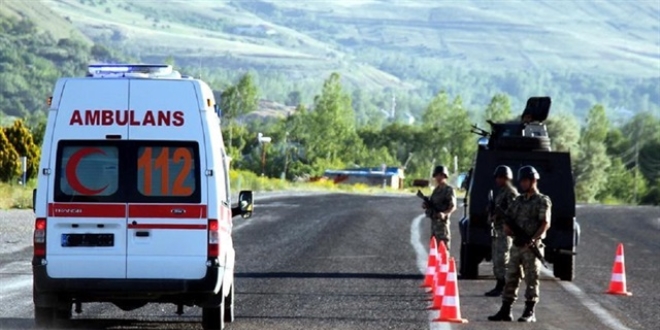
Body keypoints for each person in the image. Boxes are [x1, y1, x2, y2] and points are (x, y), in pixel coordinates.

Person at [488, 165, 551, 323]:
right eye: (521, 181)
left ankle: (529, 311)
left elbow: (545, 223)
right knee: (511, 277)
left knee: (531, 278)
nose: (522, 184)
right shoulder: (518, 200)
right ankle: (505, 310)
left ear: (533, 180)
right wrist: (508, 229)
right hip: (517, 245)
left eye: (525, 180)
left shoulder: (542, 200)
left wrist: (533, 239)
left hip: (531, 247)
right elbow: (507, 218)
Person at [485, 165, 519, 297]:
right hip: (498, 229)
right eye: (497, 178)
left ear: (506, 178)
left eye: (500, 177)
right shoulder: (502, 192)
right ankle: (499, 284)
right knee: (497, 258)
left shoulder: (510, 192)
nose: (497, 180)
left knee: (502, 259)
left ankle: (504, 286)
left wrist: (500, 215)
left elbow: (514, 211)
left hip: (506, 230)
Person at [421, 165, 457, 251]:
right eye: (437, 175)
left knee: (443, 249)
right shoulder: (436, 191)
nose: (438, 177)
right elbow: (433, 203)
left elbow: (453, 206)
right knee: (434, 249)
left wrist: (445, 214)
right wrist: (426, 205)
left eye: (441, 175)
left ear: (444, 176)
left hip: (442, 225)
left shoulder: (449, 190)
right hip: (434, 225)